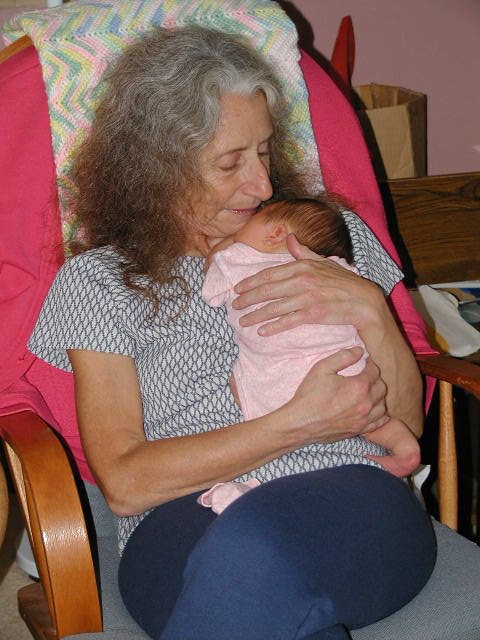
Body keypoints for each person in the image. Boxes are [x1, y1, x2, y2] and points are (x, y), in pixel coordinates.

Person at [28, 25, 436, 640]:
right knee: (255, 562)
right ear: (158, 168)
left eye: (265, 152)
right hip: (183, 518)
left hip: (353, 494)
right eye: (230, 163)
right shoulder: (99, 282)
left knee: (253, 551)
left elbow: (405, 422)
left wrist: (370, 309)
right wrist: (296, 423)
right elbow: (127, 483)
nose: (263, 185)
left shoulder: (322, 234)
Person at [198, 197, 420, 514]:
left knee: (259, 413)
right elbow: (355, 285)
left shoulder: (240, 259)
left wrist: (222, 248)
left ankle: (254, 488)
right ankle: (403, 448)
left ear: (276, 233)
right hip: (348, 368)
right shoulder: (335, 268)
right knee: (375, 419)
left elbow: (211, 290)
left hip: (284, 383)